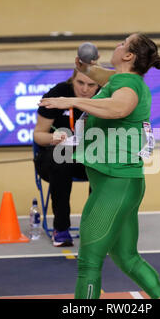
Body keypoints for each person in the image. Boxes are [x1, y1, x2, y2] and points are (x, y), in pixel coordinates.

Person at [39, 33, 160, 299]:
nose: (117, 45)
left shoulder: (129, 89)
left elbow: (118, 108)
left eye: (123, 43)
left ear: (128, 56)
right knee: (127, 258)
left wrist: (73, 100)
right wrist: (85, 68)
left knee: (88, 263)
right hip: (118, 184)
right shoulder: (123, 79)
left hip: (115, 185)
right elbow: (103, 77)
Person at [33, 70, 99, 247]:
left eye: (91, 85)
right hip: (53, 157)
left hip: (87, 156)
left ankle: (96, 228)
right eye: (80, 83)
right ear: (72, 79)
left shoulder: (104, 96)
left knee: (102, 162)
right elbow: (39, 135)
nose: (85, 89)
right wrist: (55, 138)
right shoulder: (57, 93)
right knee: (62, 160)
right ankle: (60, 228)